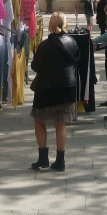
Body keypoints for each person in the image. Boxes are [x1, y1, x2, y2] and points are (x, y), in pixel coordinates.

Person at [29, 12, 80, 171]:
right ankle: (60, 161)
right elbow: (77, 61)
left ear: (50, 25)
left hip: (46, 88)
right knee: (60, 123)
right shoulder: (72, 42)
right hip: (66, 88)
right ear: (65, 24)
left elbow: (35, 67)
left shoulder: (44, 45)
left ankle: (43, 158)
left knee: (39, 121)